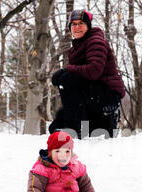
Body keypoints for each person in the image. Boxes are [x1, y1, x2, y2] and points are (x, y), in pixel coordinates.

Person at [49, 9, 126, 139]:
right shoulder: (77, 46)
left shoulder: (95, 41)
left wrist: (66, 69)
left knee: (67, 79)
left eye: (81, 23)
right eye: (73, 24)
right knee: (55, 126)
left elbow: (94, 71)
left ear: (88, 26)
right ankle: (80, 126)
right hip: (92, 95)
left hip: (107, 96)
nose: (77, 27)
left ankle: (77, 128)